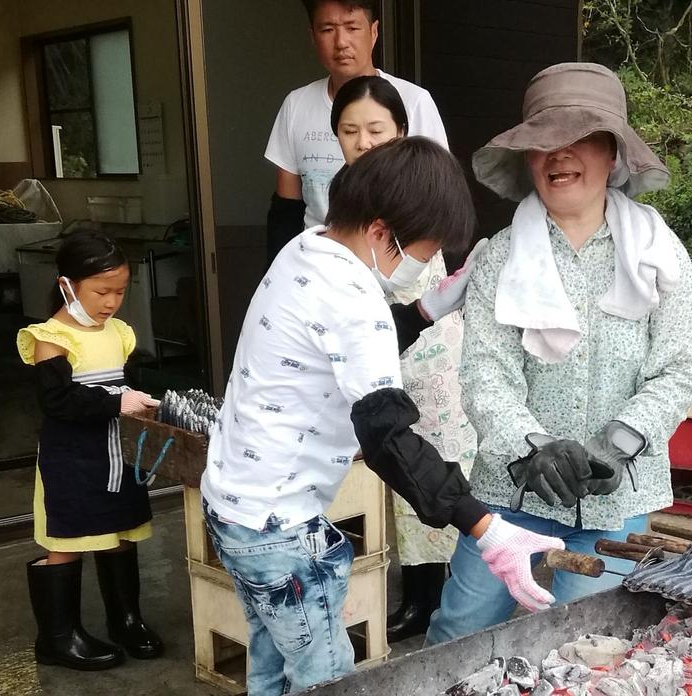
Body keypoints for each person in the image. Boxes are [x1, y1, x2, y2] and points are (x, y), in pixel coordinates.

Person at [200, 137, 562, 696]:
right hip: (280, 531)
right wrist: (485, 529)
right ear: (377, 231)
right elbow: (388, 437)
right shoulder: (355, 298)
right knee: (326, 679)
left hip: (233, 506)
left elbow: (342, 344)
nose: (422, 262)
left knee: (273, 662)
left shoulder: (305, 250)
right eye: (421, 249)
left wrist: (425, 309)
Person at [427, 63, 692, 645]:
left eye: (579, 138)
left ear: (612, 154)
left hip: (617, 501)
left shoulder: (661, 253)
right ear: (527, 159)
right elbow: (485, 374)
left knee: (585, 648)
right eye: (542, 143)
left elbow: (679, 369)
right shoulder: (499, 257)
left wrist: (620, 442)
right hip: (508, 498)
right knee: (459, 633)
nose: (559, 155)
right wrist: (532, 449)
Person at [331, 75, 482, 642]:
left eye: (376, 129)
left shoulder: (416, 189)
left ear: (400, 131)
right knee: (392, 457)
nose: (364, 141)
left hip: (431, 345)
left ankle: (442, 593)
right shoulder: (341, 196)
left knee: (437, 450)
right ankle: (416, 595)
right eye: (350, 131)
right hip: (375, 347)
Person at [17, 230, 163, 670]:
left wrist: (143, 401)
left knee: (118, 533)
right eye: (101, 291)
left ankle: (127, 619)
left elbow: (125, 384)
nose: (111, 302)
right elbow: (57, 401)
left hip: (116, 453)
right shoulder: (51, 336)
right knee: (68, 538)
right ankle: (59, 638)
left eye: (120, 291)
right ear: (67, 285)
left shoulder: (119, 332)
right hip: (72, 458)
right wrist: (117, 402)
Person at [264, 0, 448, 267]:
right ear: (313, 36)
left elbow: (438, 202)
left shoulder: (414, 101)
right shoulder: (296, 105)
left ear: (373, 32)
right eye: (328, 29)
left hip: (399, 273)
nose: (341, 42)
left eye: (352, 27)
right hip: (321, 271)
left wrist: (403, 275)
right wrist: (279, 276)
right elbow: (286, 211)